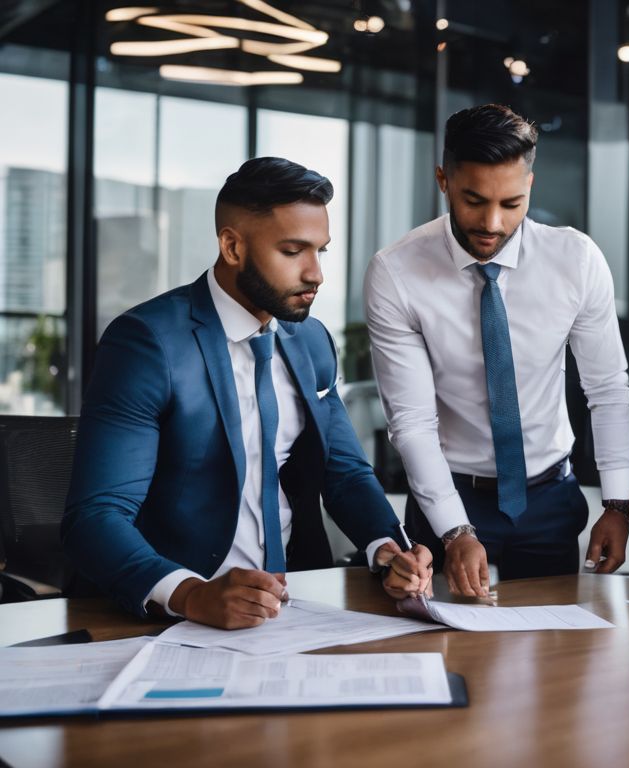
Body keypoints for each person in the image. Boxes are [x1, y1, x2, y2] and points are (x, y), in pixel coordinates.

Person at [63, 157, 432, 629]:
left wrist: (388, 549)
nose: (315, 273)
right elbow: (96, 515)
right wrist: (192, 595)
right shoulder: (147, 344)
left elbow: (344, 471)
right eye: (293, 251)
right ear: (232, 246)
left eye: (320, 251)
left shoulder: (311, 340)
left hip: (294, 607)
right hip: (173, 615)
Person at [365, 103, 629, 599]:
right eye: (473, 200)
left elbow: (607, 389)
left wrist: (618, 502)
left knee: (555, 661)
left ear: (530, 186)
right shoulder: (397, 272)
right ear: (443, 179)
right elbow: (411, 421)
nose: (492, 222)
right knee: (447, 658)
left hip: (551, 500)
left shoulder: (575, 260)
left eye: (511, 203)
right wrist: (455, 529)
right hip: (447, 498)